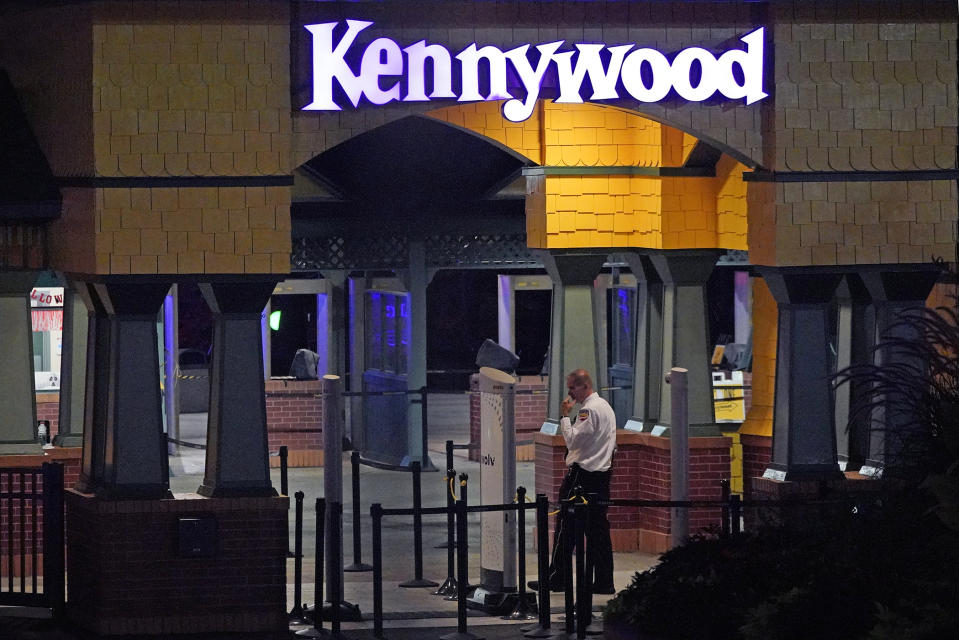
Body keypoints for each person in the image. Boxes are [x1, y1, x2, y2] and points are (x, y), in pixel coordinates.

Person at [531, 369, 617, 595]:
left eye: (572, 388)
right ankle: (604, 581)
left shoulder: (588, 410)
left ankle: (556, 578)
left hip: (582, 476)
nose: (569, 393)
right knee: (598, 530)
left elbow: (572, 439)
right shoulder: (606, 406)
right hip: (602, 476)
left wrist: (564, 417)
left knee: (565, 528)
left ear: (583, 386)